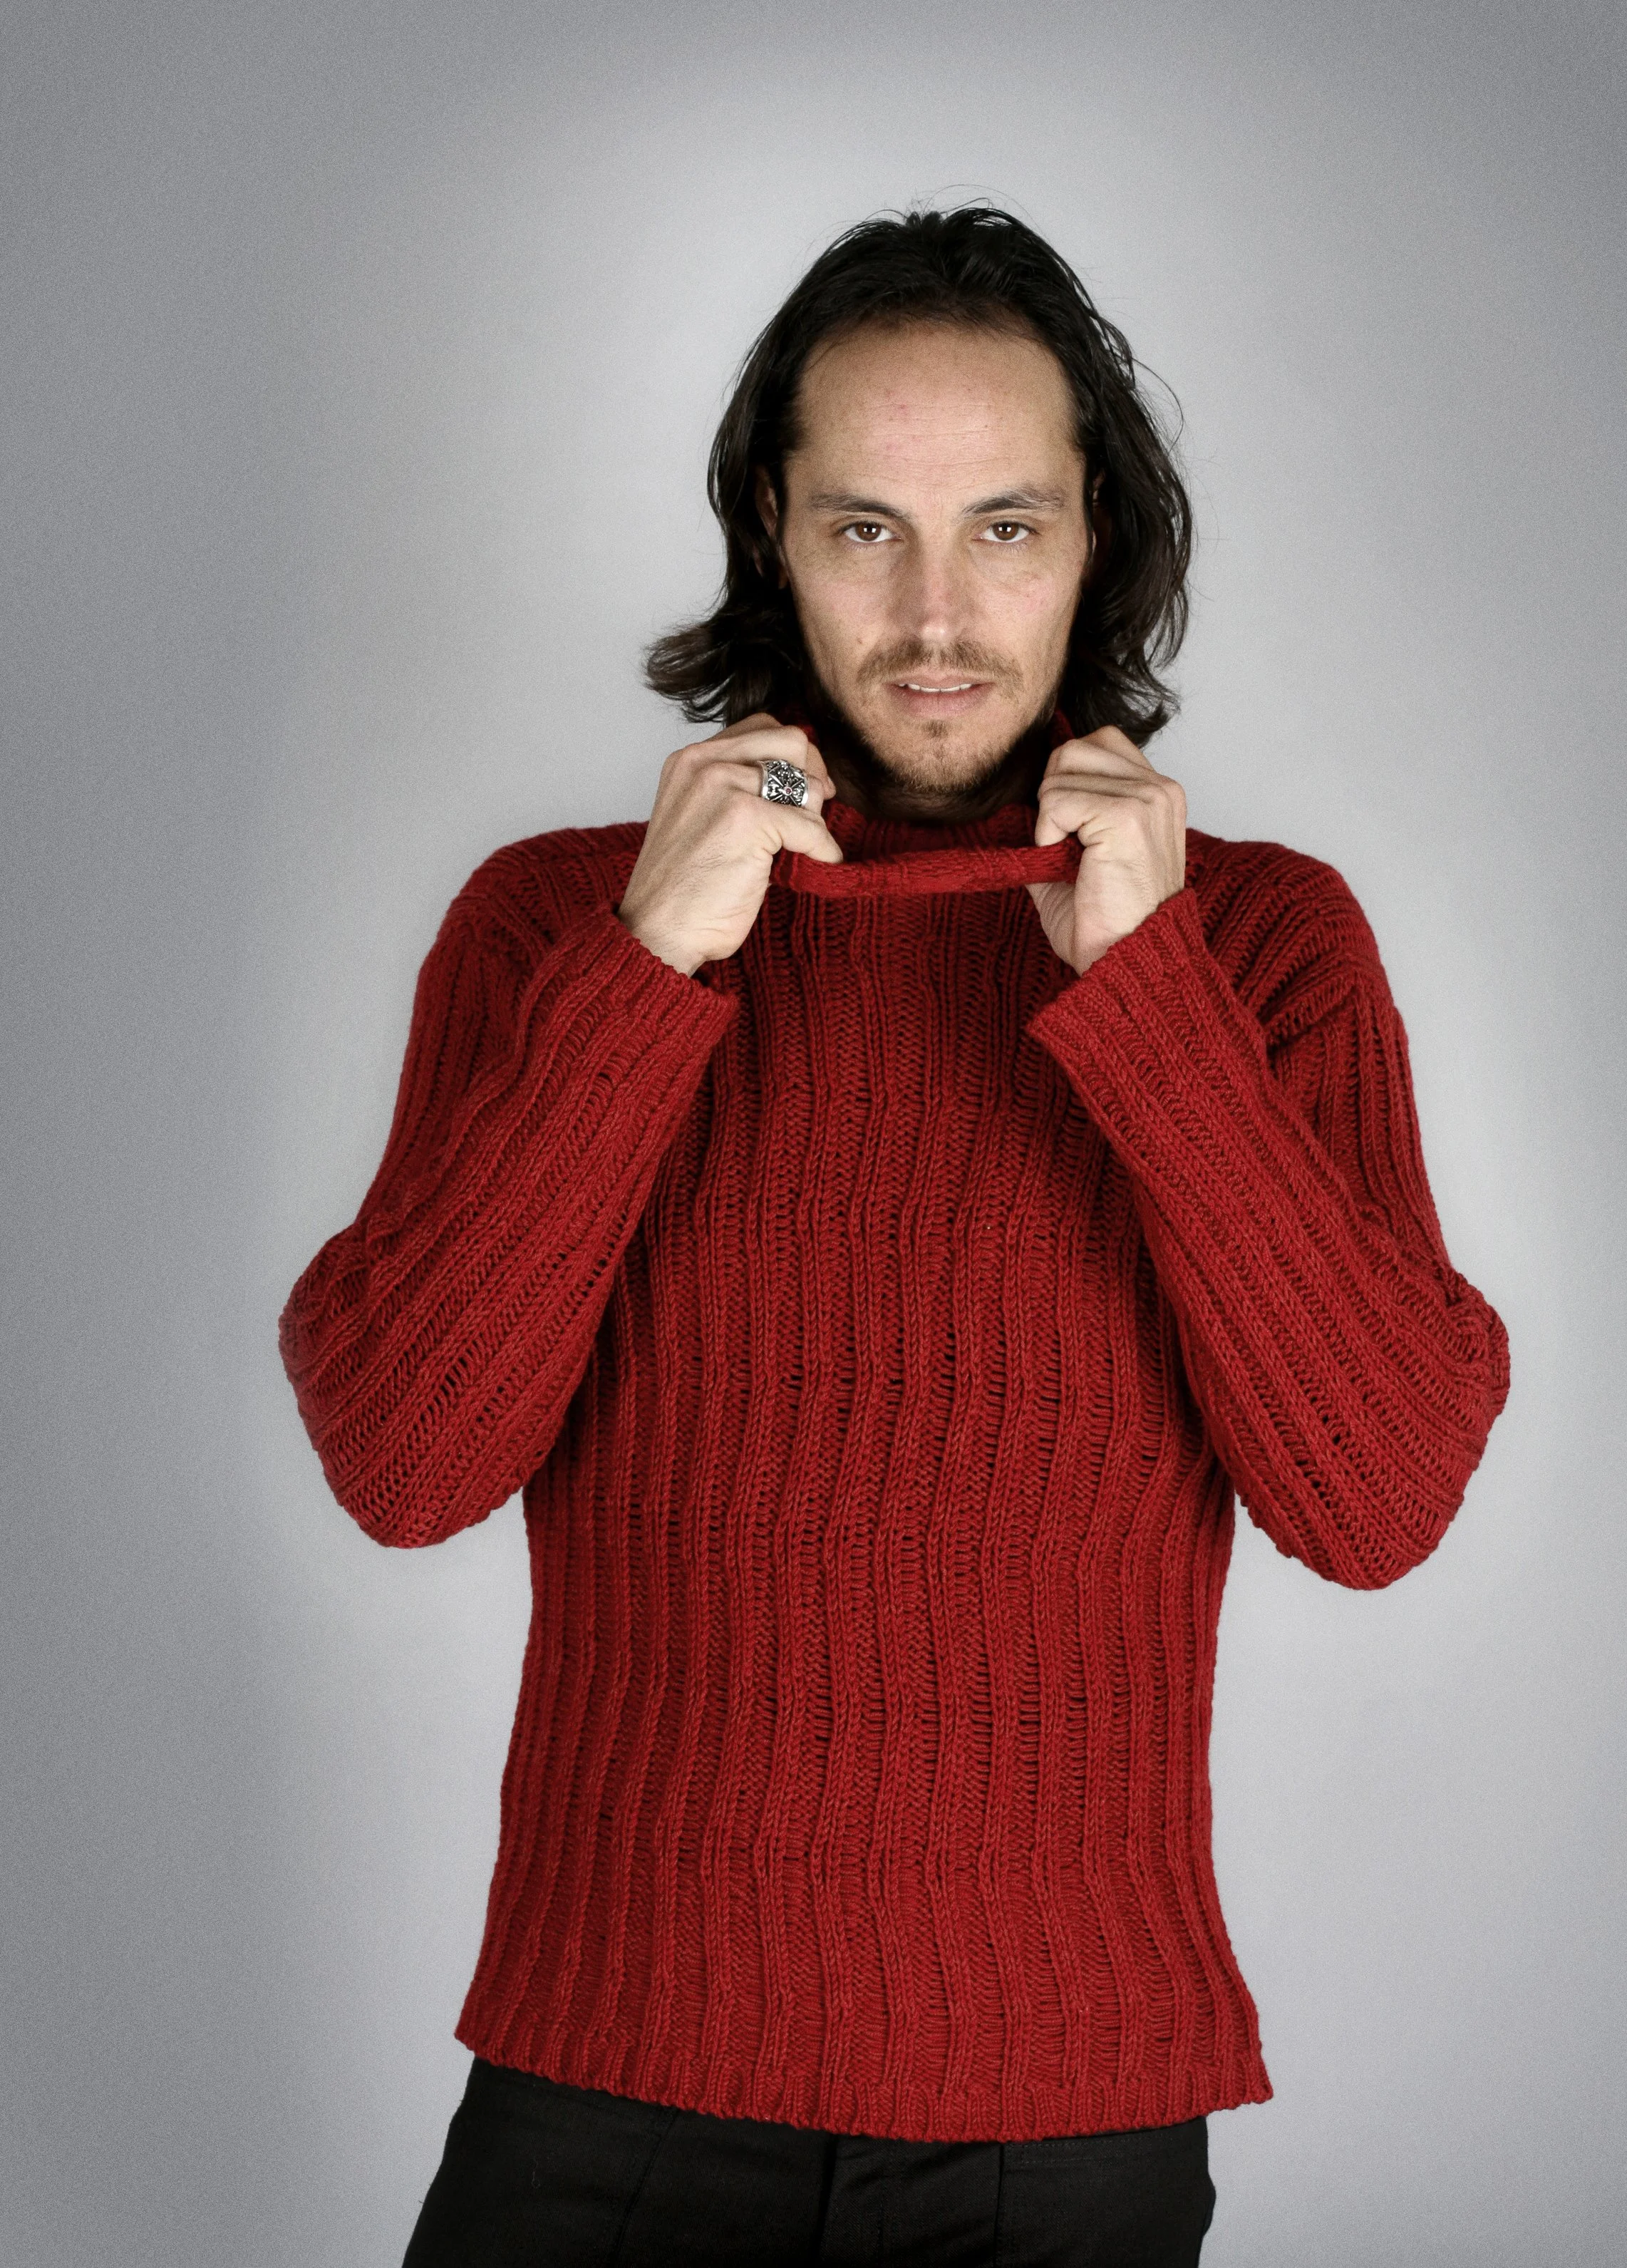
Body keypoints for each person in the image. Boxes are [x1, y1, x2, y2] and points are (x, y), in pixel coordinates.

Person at [279, 203, 1511, 2267]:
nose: (936, 613)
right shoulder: (548, 923)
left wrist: (1154, 1005)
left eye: (1004, 529)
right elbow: (404, 1465)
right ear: (770, 527)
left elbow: (1374, 1497)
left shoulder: (1263, 948)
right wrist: (652, 965)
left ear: (1097, 534)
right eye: (866, 529)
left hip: (1069, 2140)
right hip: (605, 2103)